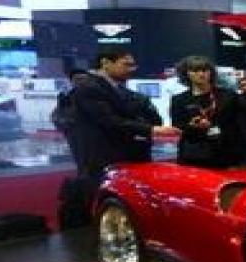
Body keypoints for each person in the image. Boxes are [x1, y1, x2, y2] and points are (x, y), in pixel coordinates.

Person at [70, 48, 179, 179]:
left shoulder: (118, 89)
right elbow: (109, 120)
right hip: (105, 157)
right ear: (105, 63)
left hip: (126, 154)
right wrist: (151, 129)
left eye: (133, 65)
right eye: (126, 64)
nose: (132, 69)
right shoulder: (89, 87)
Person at [169, 55, 246, 167]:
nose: (201, 74)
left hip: (225, 153)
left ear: (211, 73)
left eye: (205, 70)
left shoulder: (228, 95)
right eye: (195, 71)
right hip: (194, 154)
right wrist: (192, 126)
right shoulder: (179, 100)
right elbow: (177, 126)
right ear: (186, 74)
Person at [51, 68, 90, 173]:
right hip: (76, 134)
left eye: (84, 79)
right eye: (78, 79)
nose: (81, 82)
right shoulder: (66, 98)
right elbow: (56, 116)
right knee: (81, 161)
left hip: (94, 135)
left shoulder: (96, 96)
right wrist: (67, 126)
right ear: (72, 81)